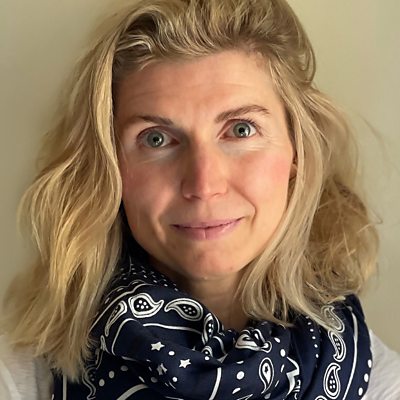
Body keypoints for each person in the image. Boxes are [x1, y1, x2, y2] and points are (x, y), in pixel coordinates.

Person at [1, 0, 399, 398]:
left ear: (298, 150)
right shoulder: (20, 376)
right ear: (109, 167)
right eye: (156, 139)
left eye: (241, 130)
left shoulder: (381, 385)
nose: (204, 184)